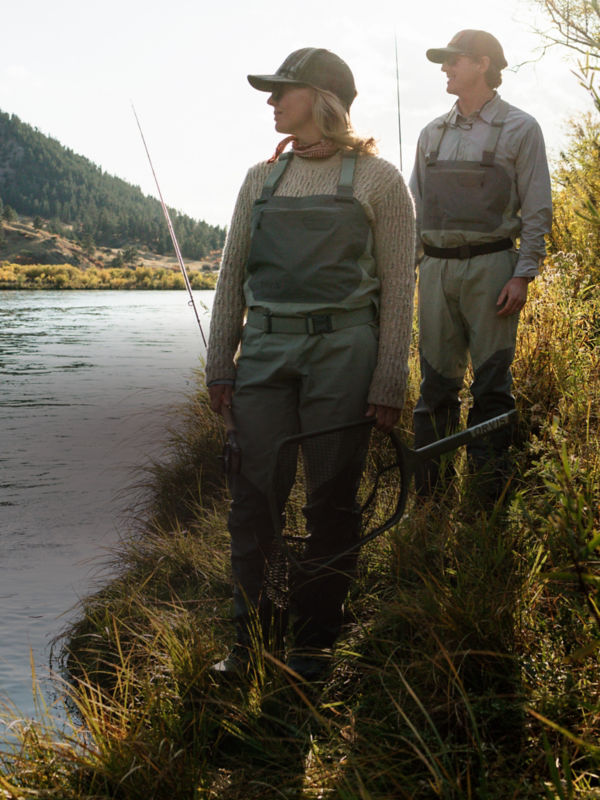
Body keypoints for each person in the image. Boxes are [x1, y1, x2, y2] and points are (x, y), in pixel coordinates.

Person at [205, 47, 415, 681]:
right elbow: (231, 277)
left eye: (283, 90)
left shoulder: (379, 180)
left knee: (331, 499)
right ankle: (250, 642)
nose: (271, 101)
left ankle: (314, 643)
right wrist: (219, 364)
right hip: (264, 353)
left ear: (322, 99)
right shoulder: (259, 179)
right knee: (253, 498)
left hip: (344, 354)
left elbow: (400, 288)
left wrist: (389, 378)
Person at [409, 30, 552, 498]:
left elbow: (538, 210)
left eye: (454, 60)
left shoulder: (521, 128)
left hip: (493, 269)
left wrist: (523, 274)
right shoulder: (431, 133)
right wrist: (409, 273)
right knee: (435, 387)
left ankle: (486, 499)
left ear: (483, 64)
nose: (445, 69)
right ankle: (431, 500)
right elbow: (416, 210)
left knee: (491, 385)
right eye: (444, 61)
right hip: (435, 271)